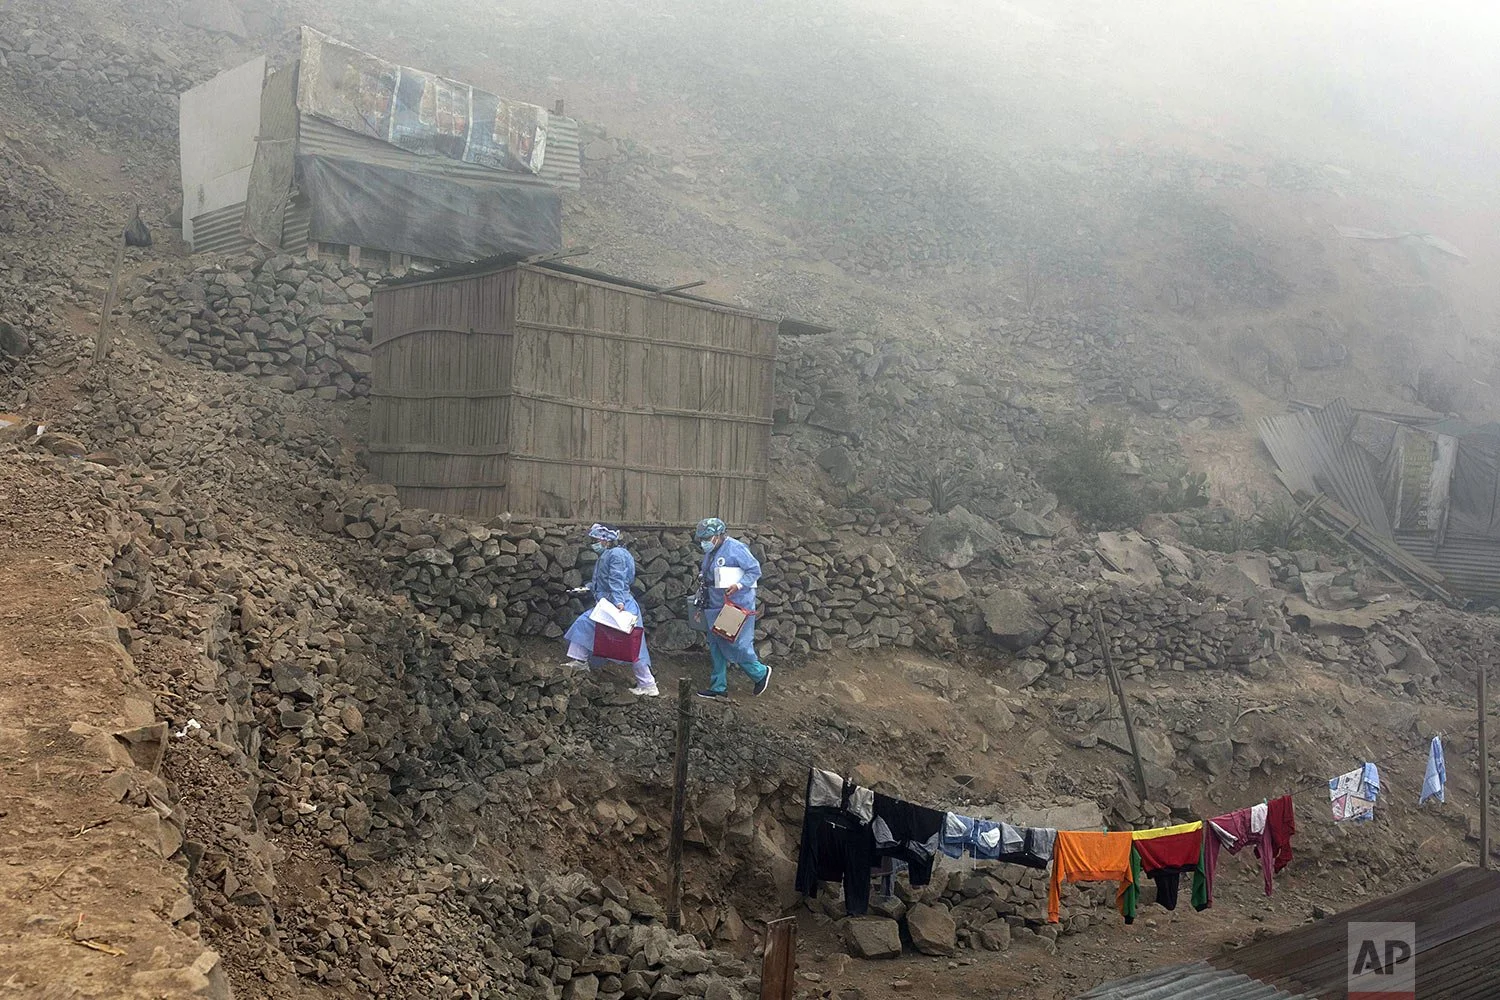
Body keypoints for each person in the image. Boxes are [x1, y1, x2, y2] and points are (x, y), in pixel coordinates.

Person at [562, 524, 659, 697]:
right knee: (588, 625)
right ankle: (580, 660)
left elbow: (617, 579)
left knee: (632, 644)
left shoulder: (616, 555)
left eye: (595, 540)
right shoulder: (611, 553)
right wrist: (588, 588)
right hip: (612, 602)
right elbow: (606, 580)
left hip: (618, 604)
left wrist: (619, 602)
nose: (593, 543)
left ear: (604, 540)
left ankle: (648, 684)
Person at [693, 517, 772, 700]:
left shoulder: (736, 548)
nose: (704, 542)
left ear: (719, 535)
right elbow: (706, 577)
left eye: (708, 538)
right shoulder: (711, 552)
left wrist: (739, 585)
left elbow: (754, 570)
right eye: (702, 539)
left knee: (734, 643)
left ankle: (760, 673)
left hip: (735, 605)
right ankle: (718, 686)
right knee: (715, 644)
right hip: (714, 604)